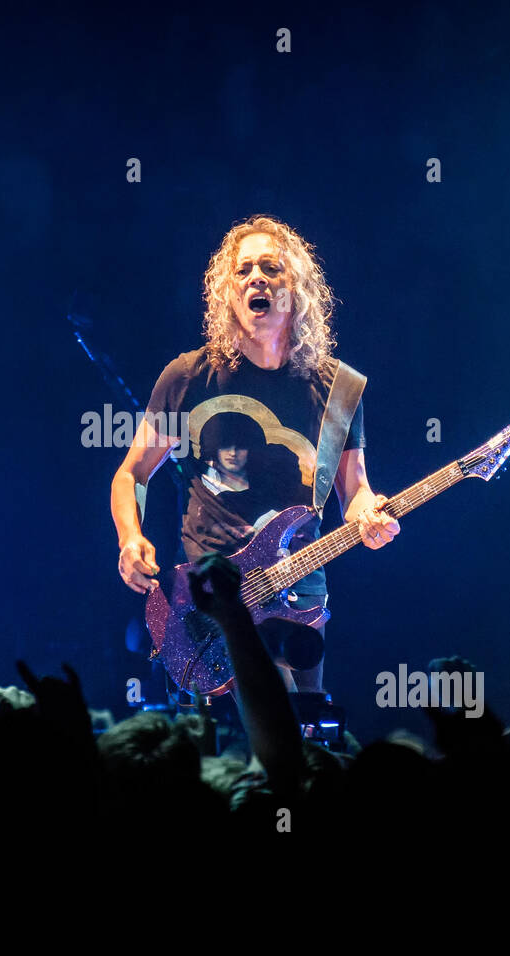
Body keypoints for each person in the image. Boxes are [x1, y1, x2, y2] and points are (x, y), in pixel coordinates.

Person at [111, 214, 399, 694]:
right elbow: (133, 474)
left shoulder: (339, 389)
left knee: (307, 734)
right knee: (242, 738)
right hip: (210, 597)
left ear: (296, 289)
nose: (256, 278)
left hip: (298, 587)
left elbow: (357, 492)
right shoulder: (188, 376)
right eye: (243, 271)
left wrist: (371, 516)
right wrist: (129, 538)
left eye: (271, 268)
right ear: (228, 291)